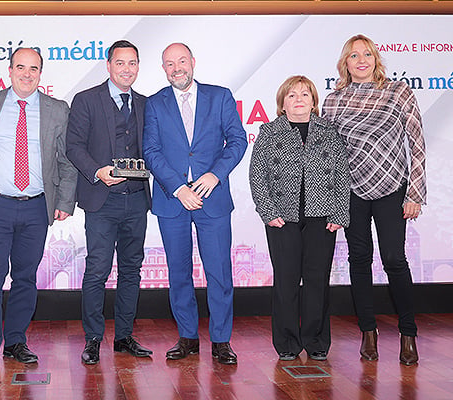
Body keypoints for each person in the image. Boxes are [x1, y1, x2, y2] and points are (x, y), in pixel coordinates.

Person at [0, 48, 77, 368]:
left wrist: (65, 200)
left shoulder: (58, 110)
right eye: (21, 67)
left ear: (41, 73)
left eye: (34, 68)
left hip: (35, 208)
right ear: (9, 70)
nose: (27, 74)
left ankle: (16, 340)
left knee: (25, 278)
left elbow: (67, 160)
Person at [323, 34, 426, 365]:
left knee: (395, 259)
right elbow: (328, 155)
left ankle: (408, 334)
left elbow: (417, 142)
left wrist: (416, 193)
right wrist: (332, 200)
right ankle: (368, 332)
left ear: (376, 59)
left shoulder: (398, 92)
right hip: (351, 191)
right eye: (354, 56)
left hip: (393, 188)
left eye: (367, 54)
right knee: (359, 259)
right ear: (346, 64)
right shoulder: (333, 101)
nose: (361, 60)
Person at [143, 42, 247, 365]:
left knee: (219, 272)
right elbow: (151, 151)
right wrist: (177, 188)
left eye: (182, 61)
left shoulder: (221, 97)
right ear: (163, 69)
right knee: (179, 272)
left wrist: (215, 175)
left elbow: (238, 140)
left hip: (212, 199)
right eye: (169, 63)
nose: (177, 68)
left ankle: (221, 341)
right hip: (172, 200)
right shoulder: (154, 104)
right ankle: (187, 337)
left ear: (193, 62)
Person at [249, 76, 350, 361]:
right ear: (282, 103)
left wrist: (340, 212)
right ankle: (287, 343)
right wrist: (268, 212)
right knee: (286, 281)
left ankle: (317, 341)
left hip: (323, 219)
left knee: (318, 282)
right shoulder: (269, 132)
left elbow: (341, 175)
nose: (299, 100)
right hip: (283, 219)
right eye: (291, 95)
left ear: (313, 101)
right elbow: (258, 176)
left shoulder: (329, 131)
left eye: (305, 94)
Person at [66, 40, 152, 365]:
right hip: (101, 201)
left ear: (138, 66)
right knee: (97, 270)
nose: (126, 69)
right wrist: (97, 172)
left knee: (132, 270)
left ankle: (125, 336)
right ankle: (93, 338)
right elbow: (73, 146)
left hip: (137, 201)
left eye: (132, 63)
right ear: (108, 65)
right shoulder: (86, 100)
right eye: (120, 63)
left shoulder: (146, 104)